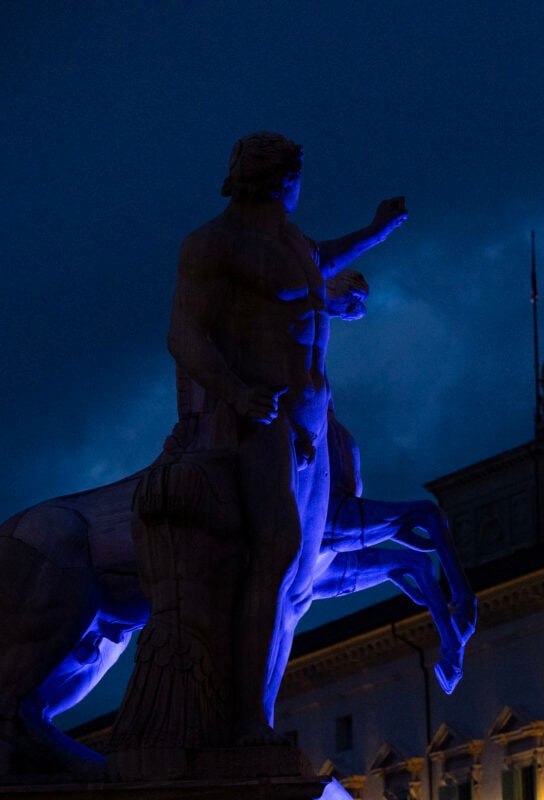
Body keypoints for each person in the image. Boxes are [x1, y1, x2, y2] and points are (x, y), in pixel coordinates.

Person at [164, 132, 409, 744]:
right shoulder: (212, 244)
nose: (301, 187)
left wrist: (376, 232)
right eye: (298, 176)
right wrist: (238, 391)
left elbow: (317, 263)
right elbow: (183, 335)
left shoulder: (288, 241)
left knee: (298, 568)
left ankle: (256, 710)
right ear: (279, 179)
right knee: (274, 560)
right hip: (262, 418)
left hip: (308, 420)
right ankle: (247, 718)